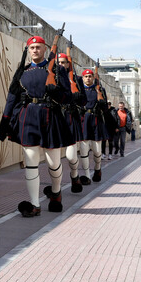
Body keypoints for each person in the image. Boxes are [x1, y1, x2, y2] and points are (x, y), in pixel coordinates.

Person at [0, 36, 74, 217]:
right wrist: (4, 121)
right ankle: (34, 204)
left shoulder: (56, 70)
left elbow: (68, 97)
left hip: (50, 115)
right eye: (32, 48)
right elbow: (12, 98)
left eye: (38, 47)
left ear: (45, 49)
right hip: (28, 117)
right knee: (30, 162)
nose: (35, 50)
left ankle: (56, 192)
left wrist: (57, 94)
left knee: (53, 162)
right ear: (28, 50)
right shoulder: (22, 72)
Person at [57, 53, 86, 193]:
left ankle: (74, 175)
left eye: (64, 62)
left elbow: (84, 101)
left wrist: (78, 97)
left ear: (68, 64)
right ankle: (56, 189)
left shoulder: (76, 79)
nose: (62, 65)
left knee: (70, 156)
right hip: (56, 117)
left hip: (70, 117)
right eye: (59, 62)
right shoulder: (52, 77)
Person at [79, 69, 108, 185]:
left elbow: (105, 108)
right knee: (84, 150)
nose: (88, 78)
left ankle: (97, 168)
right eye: (86, 76)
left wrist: (102, 102)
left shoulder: (99, 90)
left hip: (96, 120)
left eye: (90, 76)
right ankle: (86, 175)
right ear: (82, 78)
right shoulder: (79, 90)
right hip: (84, 120)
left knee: (97, 151)